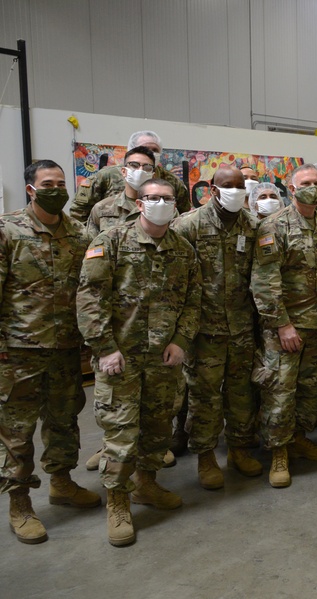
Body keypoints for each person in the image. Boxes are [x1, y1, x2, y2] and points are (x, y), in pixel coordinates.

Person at [77, 177, 201, 546]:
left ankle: (146, 485)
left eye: (166, 197)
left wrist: (181, 341)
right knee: (121, 433)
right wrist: (104, 348)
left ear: (176, 204)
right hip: (122, 358)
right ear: (140, 202)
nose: (159, 202)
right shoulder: (111, 241)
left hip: (164, 360)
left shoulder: (183, 250)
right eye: (152, 197)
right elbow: (89, 299)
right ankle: (117, 501)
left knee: (157, 428)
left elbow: (193, 303)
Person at [0, 160, 98, 545]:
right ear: (30, 189)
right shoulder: (8, 230)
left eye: (60, 182)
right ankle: (20, 503)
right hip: (17, 351)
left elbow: (89, 291)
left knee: (64, 419)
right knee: (16, 432)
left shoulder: (78, 234)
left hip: (66, 349)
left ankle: (61, 482)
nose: (56, 189)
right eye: (47, 183)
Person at [251, 164, 317, 488]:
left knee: (309, 389)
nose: (312, 187)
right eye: (306, 183)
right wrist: (282, 325)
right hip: (287, 329)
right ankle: (278, 452)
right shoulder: (274, 225)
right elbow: (264, 280)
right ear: (292, 187)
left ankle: (298, 438)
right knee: (281, 391)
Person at [172, 164, 260, 489]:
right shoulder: (188, 226)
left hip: (241, 327)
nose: (236, 192)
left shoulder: (253, 227)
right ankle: (206, 456)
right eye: (229, 186)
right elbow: (176, 282)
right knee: (204, 396)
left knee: (241, 393)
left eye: (241, 187)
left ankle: (238, 448)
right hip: (203, 331)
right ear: (213, 189)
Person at [70, 130, 191, 221]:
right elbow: (79, 214)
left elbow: (183, 216)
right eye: (144, 148)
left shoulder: (172, 182)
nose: (150, 153)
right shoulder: (106, 176)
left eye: (155, 149)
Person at [85, 146, 155, 239]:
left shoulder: (163, 207)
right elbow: (92, 247)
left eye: (147, 167)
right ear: (123, 171)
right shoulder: (102, 208)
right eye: (134, 165)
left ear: (152, 174)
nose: (140, 171)